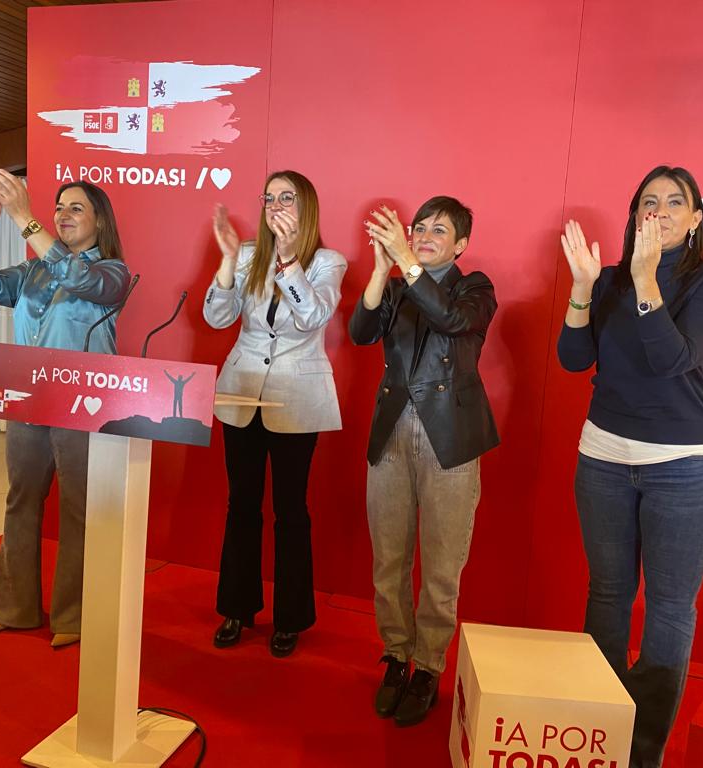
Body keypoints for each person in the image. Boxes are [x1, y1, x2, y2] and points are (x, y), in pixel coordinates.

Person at [557, 166, 703, 767]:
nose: (658, 210)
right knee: (607, 596)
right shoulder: (608, 279)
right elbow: (573, 359)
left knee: (666, 609)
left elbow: (671, 359)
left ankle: (641, 753)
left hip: (682, 471)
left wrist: (643, 278)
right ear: (635, 214)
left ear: (694, 220)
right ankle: (597, 738)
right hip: (603, 459)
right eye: (647, 201)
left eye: (673, 202)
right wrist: (584, 288)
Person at [0, 171, 130, 648]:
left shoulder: (111, 271)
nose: (63, 215)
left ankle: (75, 616)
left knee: (79, 509)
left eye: (76, 208)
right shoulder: (33, 271)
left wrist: (23, 215)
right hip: (27, 400)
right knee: (21, 500)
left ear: (99, 222)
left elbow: (76, 276)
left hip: (84, 409)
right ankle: (14, 608)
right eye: (59, 207)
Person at [349, 197, 499, 726]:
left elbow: (453, 320)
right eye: (418, 227)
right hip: (391, 433)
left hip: (450, 440)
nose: (425, 234)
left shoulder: (475, 289)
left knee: (442, 565)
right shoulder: (395, 286)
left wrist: (407, 264)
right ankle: (395, 654)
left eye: (440, 229)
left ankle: (430, 665)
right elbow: (360, 333)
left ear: (460, 244)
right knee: (389, 558)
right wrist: (378, 268)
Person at [203, 170, 346, 658]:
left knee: (290, 510)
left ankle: (290, 617)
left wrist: (288, 260)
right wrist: (226, 262)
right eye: (269, 197)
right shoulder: (246, 255)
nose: (275, 205)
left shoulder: (328, 262)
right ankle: (236, 609)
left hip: (295, 398)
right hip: (241, 391)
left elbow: (312, 317)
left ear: (306, 207)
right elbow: (218, 318)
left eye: (287, 197)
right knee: (240, 504)